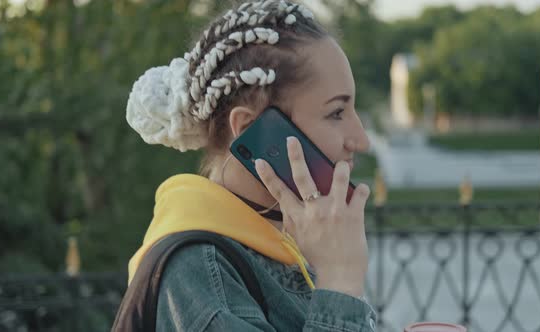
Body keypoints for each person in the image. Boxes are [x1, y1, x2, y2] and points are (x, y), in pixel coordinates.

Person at [125, 0, 376, 330]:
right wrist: (340, 283)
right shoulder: (197, 273)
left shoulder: (293, 243)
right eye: (336, 113)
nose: (360, 140)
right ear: (249, 130)